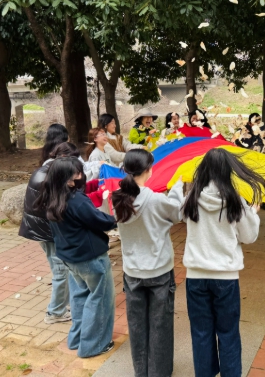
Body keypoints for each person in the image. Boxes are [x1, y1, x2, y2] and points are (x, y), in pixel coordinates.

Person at [182, 148, 265, 376]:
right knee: (228, 333)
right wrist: (252, 213)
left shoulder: (191, 198)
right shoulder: (235, 200)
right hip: (226, 277)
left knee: (201, 333)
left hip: (196, 276)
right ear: (227, 170)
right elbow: (249, 237)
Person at [35, 157, 117, 358]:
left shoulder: (51, 196)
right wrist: (116, 218)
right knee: (100, 299)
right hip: (90, 257)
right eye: (78, 172)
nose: (81, 174)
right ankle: (93, 346)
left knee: (80, 297)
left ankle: (77, 339)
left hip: (69, 257)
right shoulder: (76, 200)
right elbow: (99, 220)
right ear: (69, 178)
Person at [112, 150, 184, 377]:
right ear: (148, 170)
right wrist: (178, 188)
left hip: (132, 271)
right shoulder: (155, 199)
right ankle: (159, 372)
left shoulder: (117, 198)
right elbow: (177, 213)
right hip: (159, 270)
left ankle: (141, 371)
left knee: (137, 325)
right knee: (160, 324)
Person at [18, 142, 83, 325]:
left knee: (62, 269)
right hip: (46, 231)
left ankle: (64, 305)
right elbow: (59, 206)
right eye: (72, 159)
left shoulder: (47, 169)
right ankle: (54, 312)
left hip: (42, 228)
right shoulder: (49, 177)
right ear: (63, 158)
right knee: (61, 270)